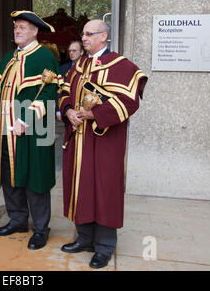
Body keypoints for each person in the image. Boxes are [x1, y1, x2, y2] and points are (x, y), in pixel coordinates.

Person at [58, 19, 148, 268]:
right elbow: (64, 92)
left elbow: (130, 102)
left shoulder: (121, 65)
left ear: (103, 36)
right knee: (81, 187)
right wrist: (68, 112)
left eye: (89, 34)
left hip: (105, 141)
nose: (84, 38)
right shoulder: (79, 65)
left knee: (105, 189)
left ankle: (105, 247)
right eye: (83, 34)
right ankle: (84, 238)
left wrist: (94, 114)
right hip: (78, 139)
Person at [0, 11, 63, 250]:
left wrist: (27, 119)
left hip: (35, 128)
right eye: (15, 27)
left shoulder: (44, 56)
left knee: (35, 178)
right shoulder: (10, 57)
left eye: (22, 27)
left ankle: (41, 229)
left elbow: (50, 93)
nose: (17, 31)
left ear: (34, 31)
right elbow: (0, 91)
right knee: (10, 176)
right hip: (7, 128)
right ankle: (18, 220)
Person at [56, 41, 84, 121]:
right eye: (70, 51)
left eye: (74, 51)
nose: (71, 53)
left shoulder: (88, 66)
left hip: (83, 109)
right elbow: (59, 90)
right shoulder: (63, 68)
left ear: (82, 52)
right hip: (67, 108)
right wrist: (58, 110)